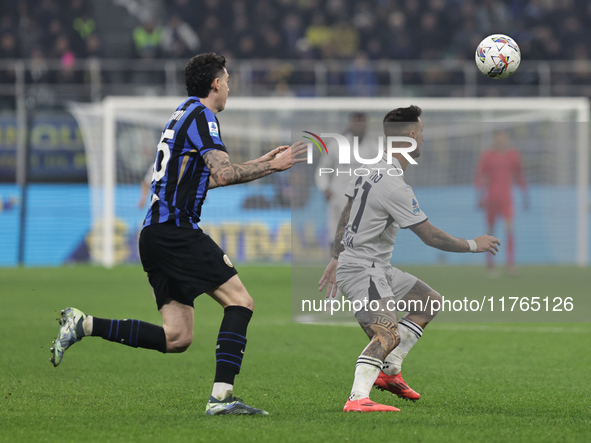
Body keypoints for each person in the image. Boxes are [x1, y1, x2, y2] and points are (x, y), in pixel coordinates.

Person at [50, 52, 307, 416]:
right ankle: (221, 398)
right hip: (174, 230)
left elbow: (201, 181)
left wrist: (264, 163)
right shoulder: (204, 117)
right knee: (241, 301)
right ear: (216, 83)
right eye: (228, 80)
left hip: (153, 234)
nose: (230, 87)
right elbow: (223, 175)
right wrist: (271, 168)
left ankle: (83, 324)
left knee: (178, 338)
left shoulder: (182, 113)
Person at [318, 105, 500, 412]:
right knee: (386, 334)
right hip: (364, 270)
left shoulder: (368, 168)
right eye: (423, 132)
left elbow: (346, 214)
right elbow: (429, 235)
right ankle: (357, 398)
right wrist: (473, 244)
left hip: (371, 266)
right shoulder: (394, 185)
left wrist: (337, 256)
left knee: (428, 301)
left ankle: (390, 372)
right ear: (412, 136)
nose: (425, 139)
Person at [475, 129, 528, 277]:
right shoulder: (487, 156)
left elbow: (520, 176)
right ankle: (490, 266)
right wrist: (480, 196)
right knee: (491, 232)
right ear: (494, 138)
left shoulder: (514, 156)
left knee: (510, 229)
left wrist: (525, 196)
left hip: (507, 198)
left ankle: (510, 265)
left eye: (503, 137)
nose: (500, 140)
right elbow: (481, 176)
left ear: (506, 138)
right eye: (497, 137)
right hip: (491, 198)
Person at [314, 112, 371, 250]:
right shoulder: (336, 145)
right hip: (338, 196)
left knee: (360, 239)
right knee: (335, 237)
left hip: (362, 200)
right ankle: (333, 270)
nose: (358, 125)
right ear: (350, 123)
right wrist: (325, 187)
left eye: (361, 121)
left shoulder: (373, 147)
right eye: (356, 121)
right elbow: (322, 169)